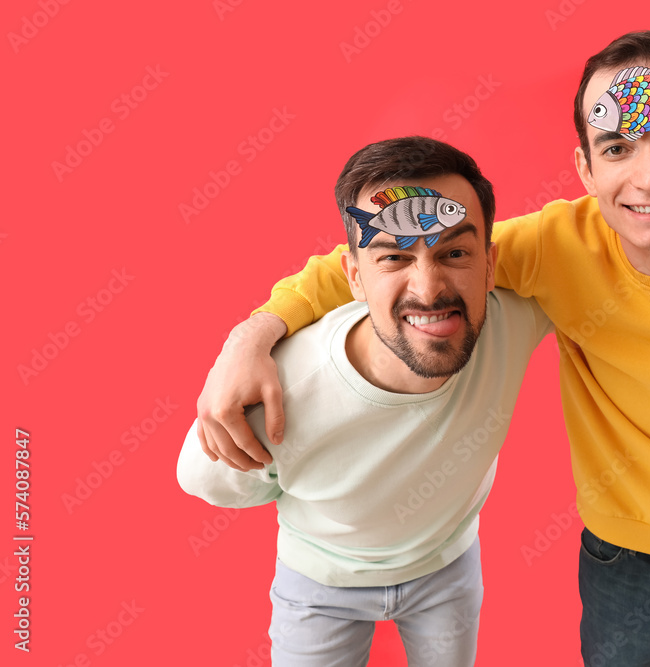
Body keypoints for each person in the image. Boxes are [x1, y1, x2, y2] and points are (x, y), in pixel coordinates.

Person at [197, 32, 650, 667]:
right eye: (616, 148)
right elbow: (381, 259)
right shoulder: (558, 246)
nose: (649, 177)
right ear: (584, 166)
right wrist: (253, 332)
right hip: (622, 566)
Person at [177, 137, 553, 666]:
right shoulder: (281, 387)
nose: (429, 287)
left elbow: (626, 236)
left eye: (455, 253)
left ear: (490, 266)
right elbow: (205, 479)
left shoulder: (513, 318)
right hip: (319, 583)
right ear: (353, 275)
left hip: (447, 567)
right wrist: (248, 340)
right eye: (395, 257)